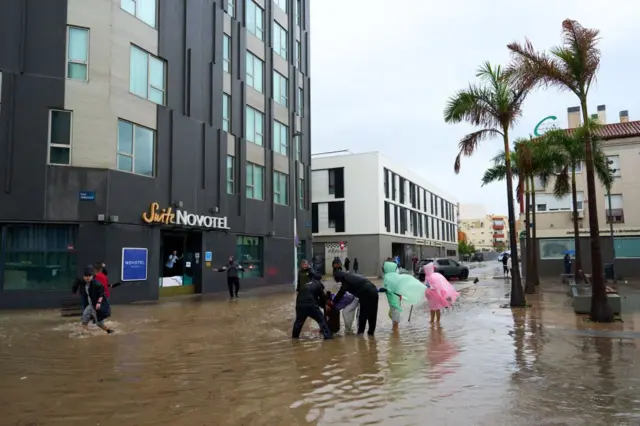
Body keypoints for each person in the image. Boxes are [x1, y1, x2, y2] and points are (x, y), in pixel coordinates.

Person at [332, 264, 379, 335]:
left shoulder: (346, 281)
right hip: (374, 290)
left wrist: (333, 303)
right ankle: (371, 333)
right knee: (373, 313)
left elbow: (340, 294)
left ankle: (360, 333)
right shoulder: (351, 275)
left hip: (365, 293)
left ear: (340, 278)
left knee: (363, 314)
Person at [381, 261, 426, 332]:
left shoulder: (389, 277)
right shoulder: (392, 276)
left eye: (384, 267)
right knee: (394, 318)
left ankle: (396, 337)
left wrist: (383, 289)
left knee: (395, 322)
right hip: (395, 301)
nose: (382, 268)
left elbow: (390, 288)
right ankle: (395, 335)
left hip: (394, 302)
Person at [73, 266, 114, 334]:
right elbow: (76, 284)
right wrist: (75, 291)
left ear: (92, 276)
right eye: (86, 276)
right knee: (84, 319)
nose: (88, 277)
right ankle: (85, 334)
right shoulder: (84, 283)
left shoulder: (96, 284)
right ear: (84, 277)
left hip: (97, 306)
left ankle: (109, 331)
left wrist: (99, 303)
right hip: (90, 305)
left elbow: (102, 294)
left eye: (89, 276)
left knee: (99, 323)